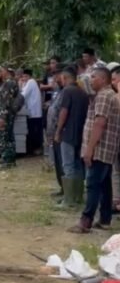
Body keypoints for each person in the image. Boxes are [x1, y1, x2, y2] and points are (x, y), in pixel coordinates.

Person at [70, 66, 119, 233]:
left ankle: (86, 221)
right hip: (106, 149)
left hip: (100, 148)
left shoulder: (104, 96)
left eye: (93, 77)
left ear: (103, 79)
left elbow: (100, 123)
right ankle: (105, 219)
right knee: (105, 185)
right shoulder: (108, 95)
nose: (90, 80)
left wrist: (89, 149)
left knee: (92, 184)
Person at [55, 66, 89, 207]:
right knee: (78, 164)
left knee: (68, 164)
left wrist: (58, 130)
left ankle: (68, 199)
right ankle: (78, 196)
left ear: (65, 77)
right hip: (80, 133)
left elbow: (64, 111)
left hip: (68, 132)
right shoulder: (82, 92)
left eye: (61, 78)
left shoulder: (67, 91)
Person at [0, 65, 21, 168]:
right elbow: (1, 96)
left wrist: (2, 117)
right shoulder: (6, 83)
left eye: (1, 71)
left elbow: (6, 101)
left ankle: (8, 160)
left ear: (7, 71)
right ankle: (8, 159)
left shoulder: (9, 83)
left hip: (4, 114)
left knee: (2, 137)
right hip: (4, 113)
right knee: (7, 137)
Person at [20, 69, 44, 155]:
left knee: (35, 131)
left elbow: (23, 95)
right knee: (32, 131)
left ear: (30, 76)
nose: (24, 78)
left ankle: (36, 148)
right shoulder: (26, 83)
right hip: (31, 111)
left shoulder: (31, 82)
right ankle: (33, 148)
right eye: (23, 77)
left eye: (26, 76)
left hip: (34, 112)